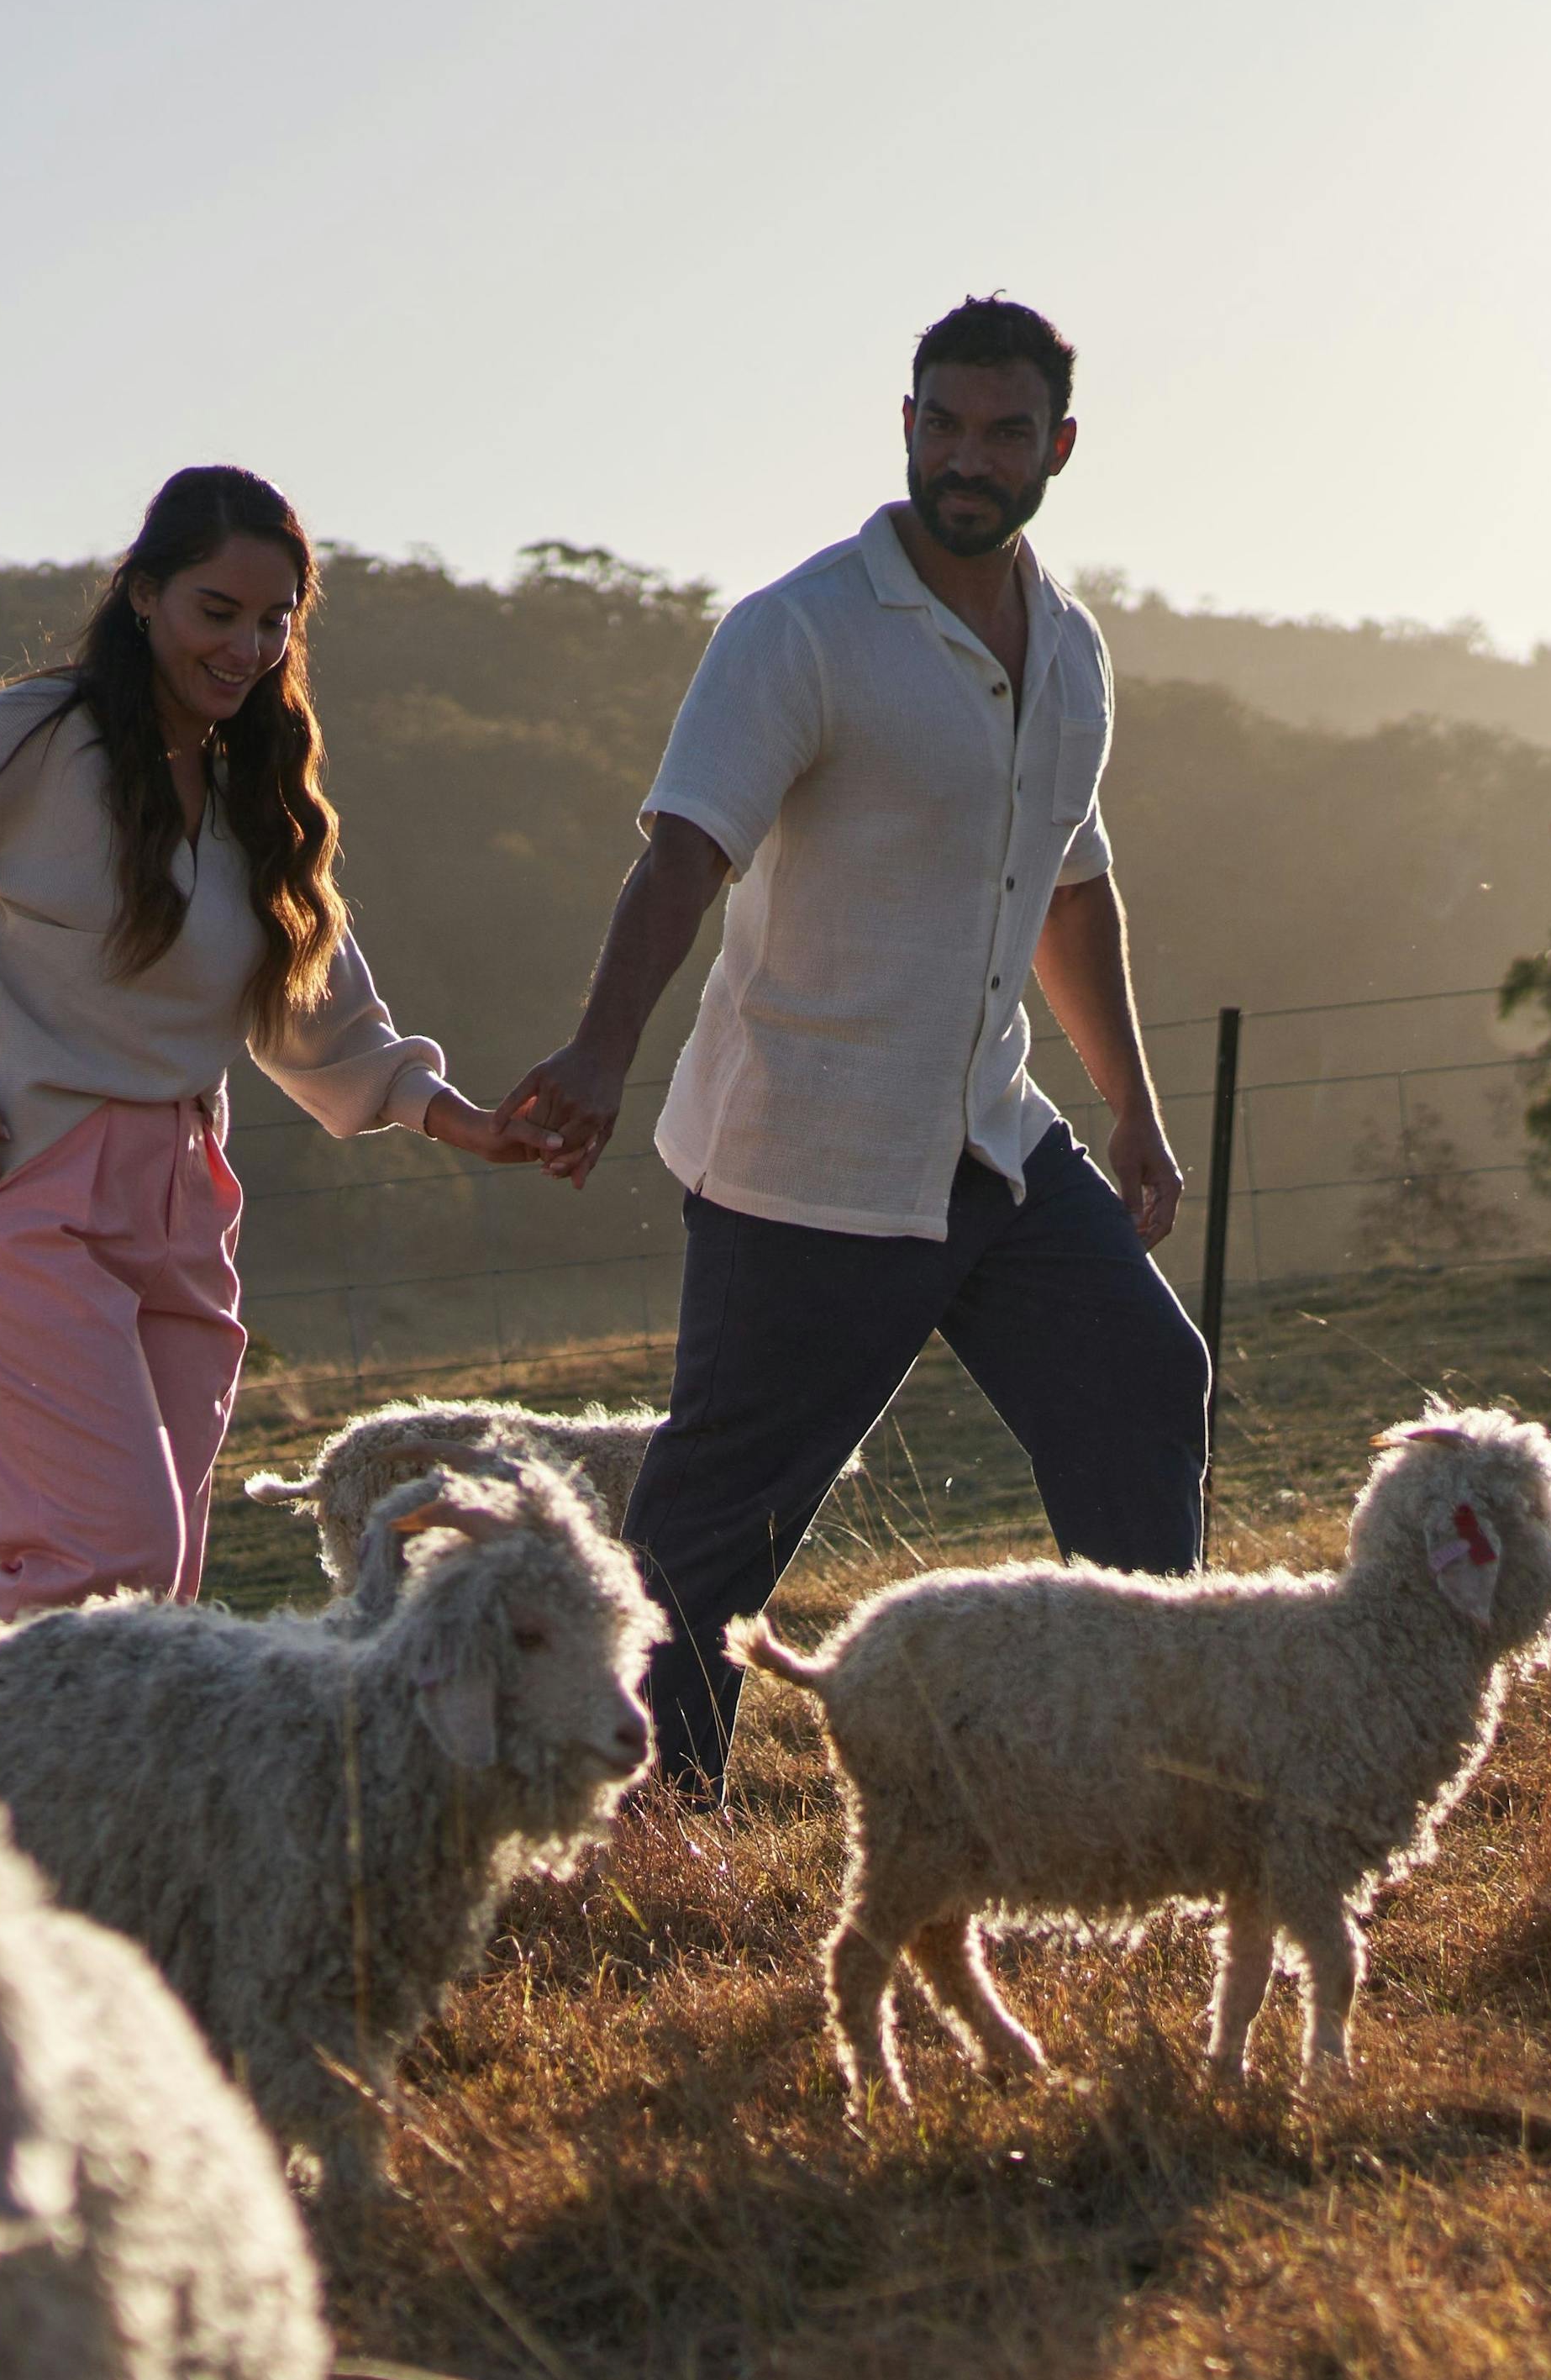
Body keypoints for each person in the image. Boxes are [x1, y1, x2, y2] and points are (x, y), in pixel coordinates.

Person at [497, 297, 1206, 1793]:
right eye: (942, 423)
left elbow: (1072, 889)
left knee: (1148, 1381)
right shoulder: (801, 631)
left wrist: (1132, 1112)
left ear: (1058, 448)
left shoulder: (1071, 652)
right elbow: (685, 851)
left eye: (1005, 431)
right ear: (906, 425)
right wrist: (601, 1053)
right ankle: (649, 1824)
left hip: (990, 1142)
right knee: (714, 1533)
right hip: (803, 1160)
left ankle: (1137, 1764)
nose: (969, 456)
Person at [0, 466, 533, 1625]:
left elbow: (322, 1018)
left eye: (274, 622)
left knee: (156, 1591)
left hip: (185, 1201)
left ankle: (55, 1810)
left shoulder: (257, 795)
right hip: (21, 1182)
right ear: (144, 596)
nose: (245, 648)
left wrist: (458, 1118)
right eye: (216, 613)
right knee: (100, 1555)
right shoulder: (31, 738)